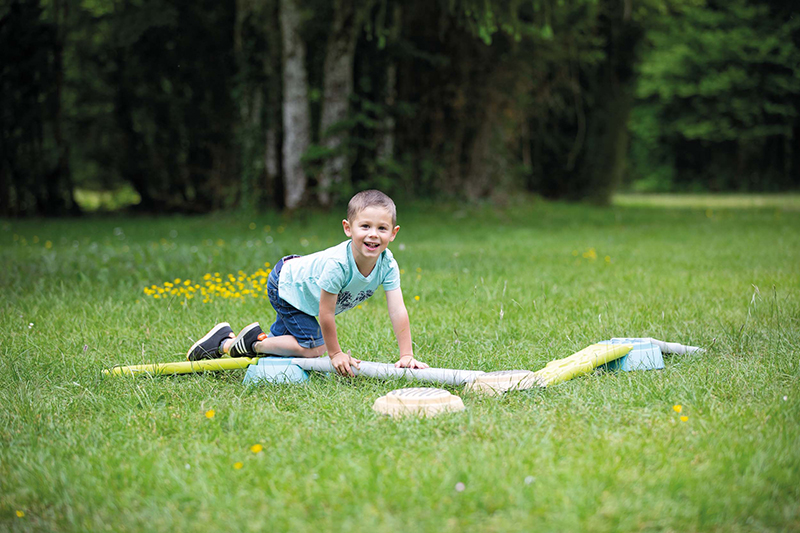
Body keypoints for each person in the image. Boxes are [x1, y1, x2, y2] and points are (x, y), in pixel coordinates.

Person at [186, 189, 428, 376]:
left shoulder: (387, 264)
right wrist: (335, 354)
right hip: (287, 285)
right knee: (314, 347)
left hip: (301, 288)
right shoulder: (338, 265)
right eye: (365, 226)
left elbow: (397, 309)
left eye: (382, 228)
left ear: (393, 233)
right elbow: (326, 313)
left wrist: (406, 355)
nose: (373, 234)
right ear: (348, 228)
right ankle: (249, 343)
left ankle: (223, 343)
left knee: (286, 345)